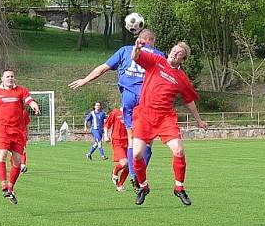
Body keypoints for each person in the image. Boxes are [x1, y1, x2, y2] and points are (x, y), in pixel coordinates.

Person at [68, 28, 163, 189]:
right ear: (152, 40)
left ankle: (133, 175)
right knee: (147, 142)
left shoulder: (125, 50)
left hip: (128, 99)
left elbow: (102, 68)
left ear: (139, 38)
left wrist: (85, 80)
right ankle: (139, 177)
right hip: (147, 100)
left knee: (131, 138)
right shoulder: (159, 54)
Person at [130, 38, 208, 206]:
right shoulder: (156, 61)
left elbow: (189, 100)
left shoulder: (182, 78)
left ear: (183, 59)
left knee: (179, 151)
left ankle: (179, 188)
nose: (175, 53)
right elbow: (136, 57)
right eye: (174, 50)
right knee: (136, 154)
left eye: (179, 53)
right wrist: (137, 48)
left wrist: (199, 120)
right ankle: (143, 186)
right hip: (145, 115)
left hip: (165, 118)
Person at [0, 69, 40, 205]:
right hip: (2, 130)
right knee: (2, 155)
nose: (10, 78)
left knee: (17, 162)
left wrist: (34, 105)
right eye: (8, 76)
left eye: (12, 76)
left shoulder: (21, 90)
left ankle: (10, 187)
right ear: (2, 78)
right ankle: (4, 185)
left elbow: (29, 100)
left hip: (18, 131)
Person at [105, 107, 130, 191]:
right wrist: (106, 135)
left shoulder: (132, 112)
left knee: (129, 166)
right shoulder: (116, 112)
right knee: (124, 163)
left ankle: (120, 185)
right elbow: (107, 124)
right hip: (118, 140)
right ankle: (115, 171)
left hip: (129, 141)